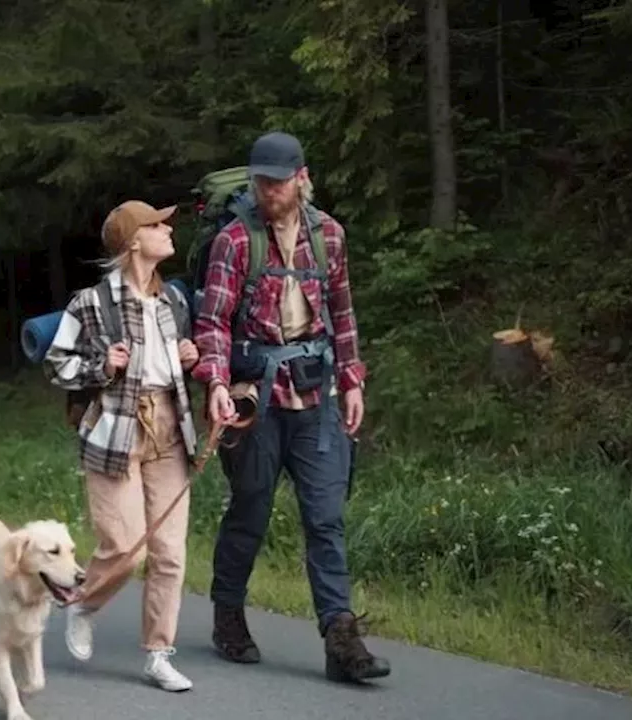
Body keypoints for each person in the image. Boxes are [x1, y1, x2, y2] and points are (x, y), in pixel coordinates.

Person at [191, 131, 392, 683]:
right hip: (256, 396)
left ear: (301, 177)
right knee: (250, 511)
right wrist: (214, 383)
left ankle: (341, 640)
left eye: (277, 182)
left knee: (325, 518)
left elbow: (344, 313)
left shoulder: (330, 235)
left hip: (317, 397)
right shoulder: (234, 241)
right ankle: (228, 615)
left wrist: (352, 380)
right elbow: (211, 323)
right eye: (261, 181)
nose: (268, 191)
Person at [41, 199, 201, 692]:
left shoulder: (172, 300)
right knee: (125, 548)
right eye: (158, 224)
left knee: (170, 553)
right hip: (114, 433)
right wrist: (101, 366)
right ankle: (84, 604)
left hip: (170, 430)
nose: (168, 229)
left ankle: (158, 653)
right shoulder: (90, 303)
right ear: (135, 239)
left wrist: (187, 357)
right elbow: (56, 364)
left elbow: (173, 366)